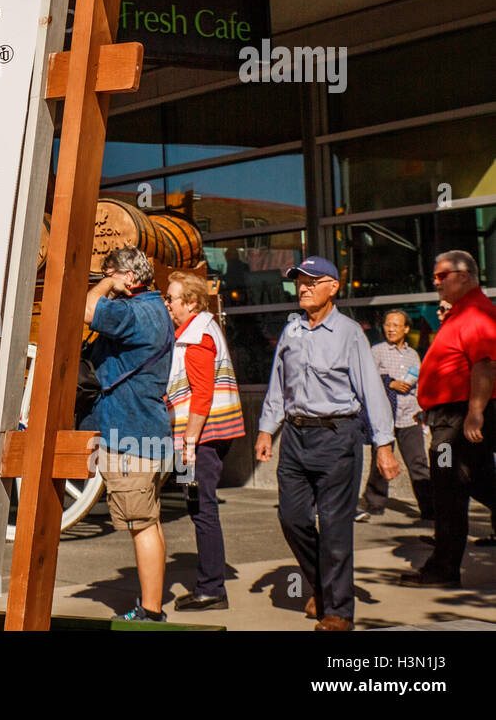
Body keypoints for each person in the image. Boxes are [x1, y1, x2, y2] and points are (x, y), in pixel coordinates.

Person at [256, 256, 399, 631]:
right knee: (292, 518)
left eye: (312, 281)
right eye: (299, 281)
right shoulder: (292, 331)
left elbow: (372, 389)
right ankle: (324, 585)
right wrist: (266, 429)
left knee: (335, 526)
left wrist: (384, 444)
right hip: (296, 436)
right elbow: (277, 384)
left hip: (338, 436)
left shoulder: (350, 332)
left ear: (332, 287)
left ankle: (338, 611)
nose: (302, 287)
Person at [81, 246, 175, 622]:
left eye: (111, 272)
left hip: (129, 435)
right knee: (148, 521)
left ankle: (150, 613)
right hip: (144, 431)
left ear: (130, 278)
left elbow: (86, 310)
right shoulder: (153, 310)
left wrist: (105, 282)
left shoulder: (135, 311)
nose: (105, 279)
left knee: (140, 525)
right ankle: (151, 606)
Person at [402, 250, 496, 587]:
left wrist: (475, 412)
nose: (435, 281)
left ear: (465, 275)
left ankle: (443, 568)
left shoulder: (475, 313)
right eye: (435, 275)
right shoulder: (461, 314)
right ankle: (443, 565)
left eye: (442, 275)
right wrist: (429, 404)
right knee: (479, 481)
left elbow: (485, 365)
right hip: (450, 413)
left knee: (447, 489)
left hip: (459, 418)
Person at [163, 271, 245, 611]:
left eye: (172, 298)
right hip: (201, 436)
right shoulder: (197, 330)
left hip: (198, 438)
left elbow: (202, 395)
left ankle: (211, 589)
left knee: (201, 508)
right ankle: (209, 584)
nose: (167, 303)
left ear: (192, 302)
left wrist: (188, 444)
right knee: (198, 507)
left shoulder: (197, 335)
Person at [355, 310, 430, 523]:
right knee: (381, 462)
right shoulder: (376, 351)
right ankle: (375, 502)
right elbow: (366, 380)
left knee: (418, 462)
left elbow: (418, 382)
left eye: (396, 325)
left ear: (406, 329)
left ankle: (429, 507)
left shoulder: (412, 354)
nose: (391, 329)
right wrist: (390, 383)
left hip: (410, 415)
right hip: (384, 417)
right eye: (388, 325)